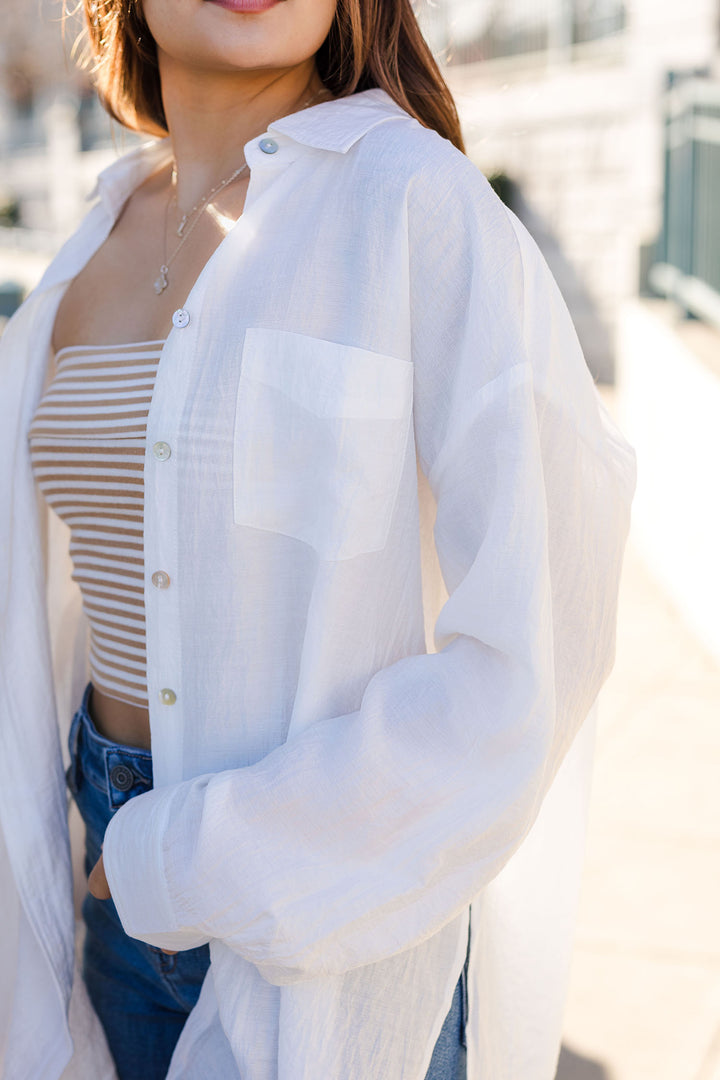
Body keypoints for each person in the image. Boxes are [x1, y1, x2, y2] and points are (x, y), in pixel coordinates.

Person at [0, 0, 638, 1077]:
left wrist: (175, 859)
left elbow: (531, 656)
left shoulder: (415, 204)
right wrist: (111, 865)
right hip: (98, 912)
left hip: (329, 940)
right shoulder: (82, 250)